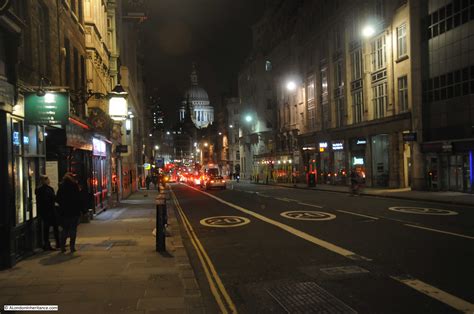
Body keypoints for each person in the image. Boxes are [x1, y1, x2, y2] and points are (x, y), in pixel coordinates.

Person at [56, 173, 85, 253]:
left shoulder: (61, 187)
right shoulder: (74, 186)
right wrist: (82, 210)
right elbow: (79, 199)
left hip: (64, 212)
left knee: (64, 229)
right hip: (74, 211)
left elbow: (57, 199)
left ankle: (62, 246)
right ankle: (72, 246)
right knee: (73, 229)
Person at [35, 175, 60, 250]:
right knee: (53, 227)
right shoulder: (49, 189)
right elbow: (53, 198)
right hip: (49, 211)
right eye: (47, 179)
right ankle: (56, 243)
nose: (48, 180)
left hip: (44, 211)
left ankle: (48, 244)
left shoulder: (38, 190)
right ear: (44, 180)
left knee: (47, 228)